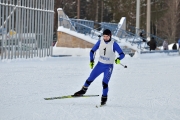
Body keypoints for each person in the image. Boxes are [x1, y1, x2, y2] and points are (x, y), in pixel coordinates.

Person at [74, 29, 125, 105]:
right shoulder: (100, 42)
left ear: (110, 36)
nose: (105, 38)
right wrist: (91, 60)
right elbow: (92, 51)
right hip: (100, 65)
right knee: (90, 79)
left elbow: (122, 54)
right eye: (104, 36)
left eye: (107, 36)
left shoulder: (113, 44)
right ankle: (83, 91)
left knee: (104, 83)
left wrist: (118, 59)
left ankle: (104, 98)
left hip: (108, 67)